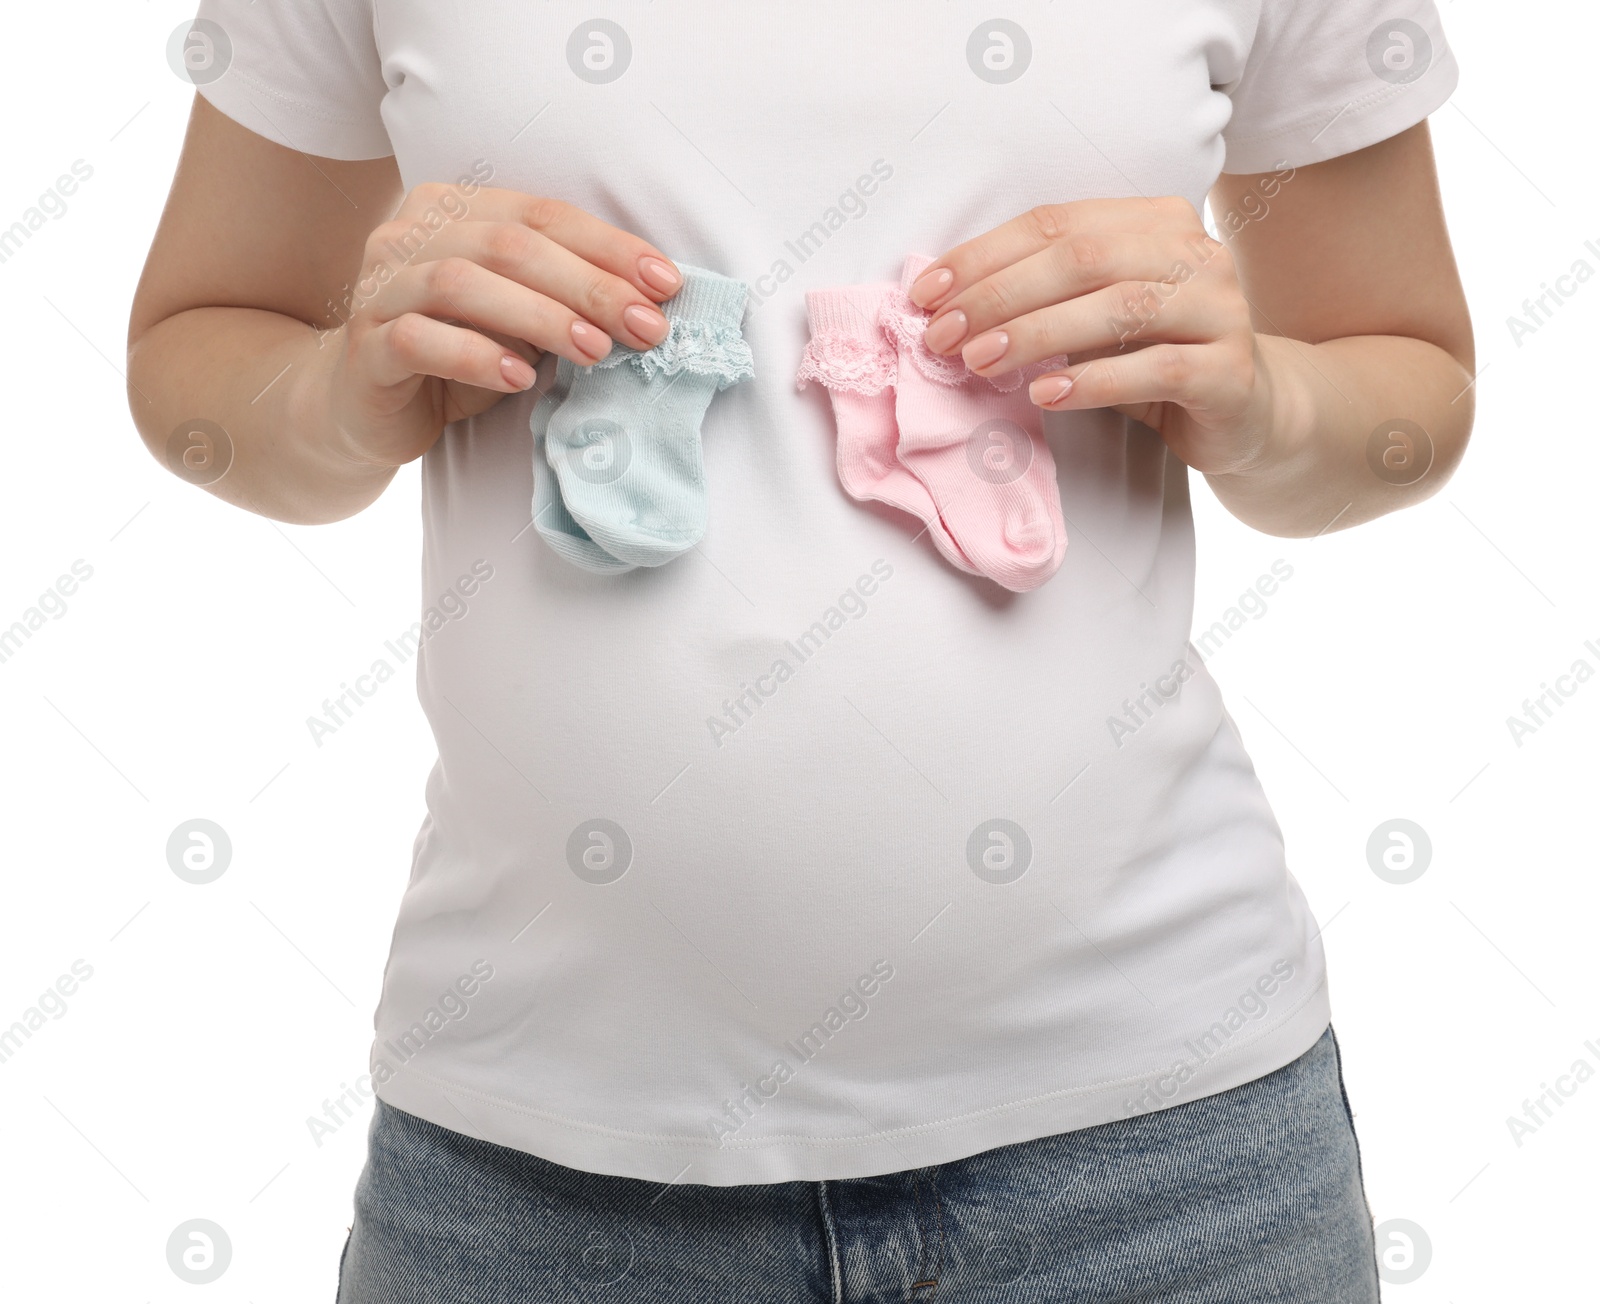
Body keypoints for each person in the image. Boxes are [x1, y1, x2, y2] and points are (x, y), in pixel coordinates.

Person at [127, 3, 1472, 1300]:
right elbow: (201, 344)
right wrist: (338, 395)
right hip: (539, 1181)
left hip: (1169, 1170)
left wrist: (1267, 400)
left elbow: (1406, 375)